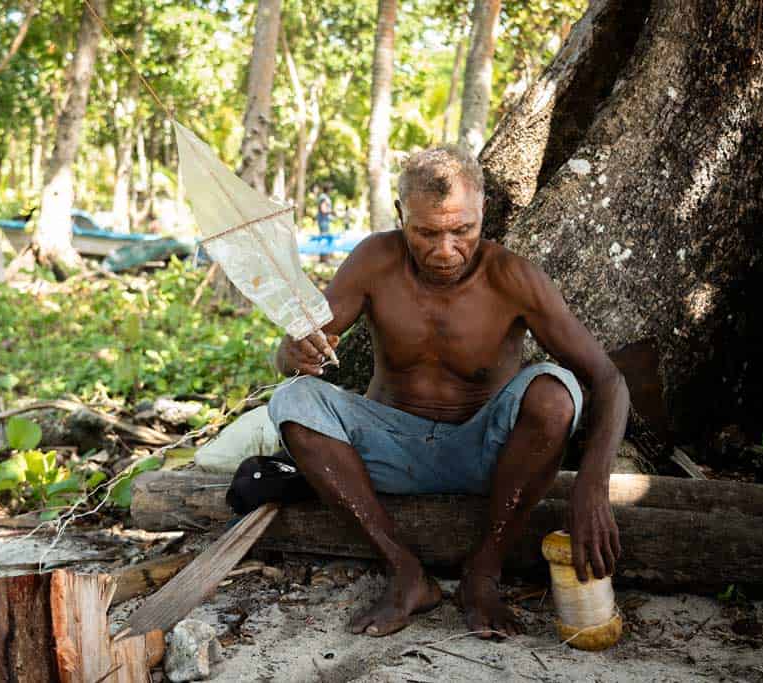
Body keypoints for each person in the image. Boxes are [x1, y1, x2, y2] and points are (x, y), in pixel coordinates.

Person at [268, 146, 628, 639]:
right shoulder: (374, 261)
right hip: (388, 454)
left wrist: (592, 487)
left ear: (483, 212)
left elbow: (608, 379)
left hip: (487, 457)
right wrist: (292, 352)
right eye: (426, 233)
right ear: (401, 216)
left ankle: (483, 574)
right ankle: (405, 572)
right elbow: (296, 354)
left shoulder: (512, 277)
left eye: (462, 230)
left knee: (555, 390)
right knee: (293, 399)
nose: (445, 250)